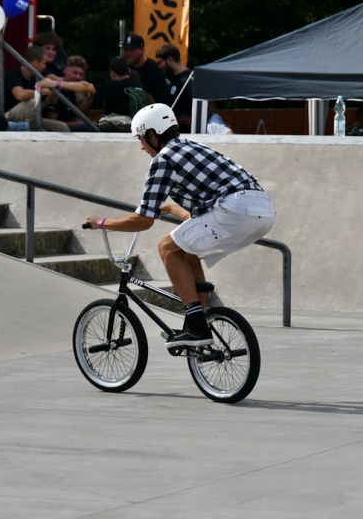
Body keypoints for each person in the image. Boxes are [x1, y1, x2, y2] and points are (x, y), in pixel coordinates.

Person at [82, 104, 276, 348]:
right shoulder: (194, 147)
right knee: (186, 249)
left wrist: (100, 223)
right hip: (263, 210)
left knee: (167, 247)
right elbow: (206, 211)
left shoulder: (163, 159)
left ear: (152, 135)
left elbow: (143, 220)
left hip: (234, 208)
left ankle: (196, 327)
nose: (141, 146)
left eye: (141, 139)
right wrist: (172, 208)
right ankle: (198, 321)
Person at [38, 57, 146, 118]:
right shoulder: (138, 86)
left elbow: (85, 87)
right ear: (129, 71)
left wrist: (55, 83)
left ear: (112, 74)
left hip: (122, 132)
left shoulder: (114, 86)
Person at [3, 45, 69, 132]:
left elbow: (33, 110)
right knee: (33, 100)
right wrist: (44, 91)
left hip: (26, 120)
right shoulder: (14, 74)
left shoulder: (34, 78)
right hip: (5, 119)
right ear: (35, 63)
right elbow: (20, 95)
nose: (45, 67)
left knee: (61, 126)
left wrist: (47, 102)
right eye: (44, 63)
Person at [44, 55, 93, 131]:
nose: (78, 77)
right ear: (66, 70)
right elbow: (54, 124)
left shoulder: (71, 92)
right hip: (52, 132)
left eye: (81, 74)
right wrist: (80, 123)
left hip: (66, 129)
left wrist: (87, 122)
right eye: (74, 73)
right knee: (85, 128)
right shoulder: (56, 90)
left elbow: (73, 117)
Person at [156, 43, 193, 133]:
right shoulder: (174, 79)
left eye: (160, 62)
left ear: (170, 60)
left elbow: (204, 105)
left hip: (186, 136)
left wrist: (194, 121)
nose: (159, 66)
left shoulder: (189, 79)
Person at [123, 34, 168, 103]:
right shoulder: (124, 68)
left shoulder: (154, 69)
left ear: (142, 50)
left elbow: (153, 98)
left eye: (132, 49)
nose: (128, 53)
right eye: (126, 49)